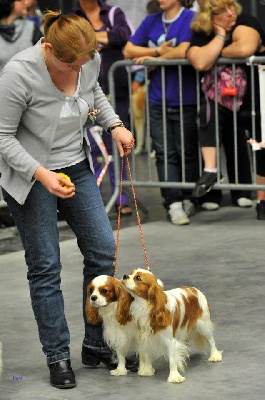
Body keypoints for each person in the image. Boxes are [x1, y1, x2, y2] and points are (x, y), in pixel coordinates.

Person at [0, 10, 137, 389]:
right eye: (69, 64)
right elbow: (3, 137)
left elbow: (94, 93)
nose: (78, 70)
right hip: (31, 176)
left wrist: (115, 124)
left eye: (84, 62)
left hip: (75, 165)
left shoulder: (88, 60)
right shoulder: (19, 73)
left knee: (102, 249)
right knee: (45, 265)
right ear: (48, 49)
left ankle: (95, 345)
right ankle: (57, 355)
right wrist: (42, 175)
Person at [123, 0, 199, 226]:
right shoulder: (151, 20)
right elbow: (128, 49)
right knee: (164, 152)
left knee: (186, 151)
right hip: (156, 98)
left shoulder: (190, 18)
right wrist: (158, 52)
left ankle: (188, 196)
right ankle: (172, 201)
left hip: (185, 97)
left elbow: (185, 50)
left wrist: (154, 59)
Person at [187, 0, 265, 212]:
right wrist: (220, 36)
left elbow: (246, 47)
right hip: (220, 99)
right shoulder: (203, 31)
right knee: (207, 117)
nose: (231, 13)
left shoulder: (245, 21)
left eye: (232, 7)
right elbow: (200, 61)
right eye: (223, 11)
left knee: (259, 146)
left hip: (255, 99)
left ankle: (255, 197)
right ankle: (211, 171)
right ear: (209, 17)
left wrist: (215, 53)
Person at [72, 0, 133, 216]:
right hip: (84, 93)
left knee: (119, 145)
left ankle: (121, 197)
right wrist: (105, 37)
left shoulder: (113, 12)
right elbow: (73, 43)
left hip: (117, 91)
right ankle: (93, 197)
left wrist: (89, 38)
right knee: (92, 147)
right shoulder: (74, 15)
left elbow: (122, 37)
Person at [0, 0, 43, 227]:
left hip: (30, 103)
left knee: (27, 153)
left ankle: (30, 205)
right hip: (2, 102)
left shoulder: (32, 27)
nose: (27, 2)